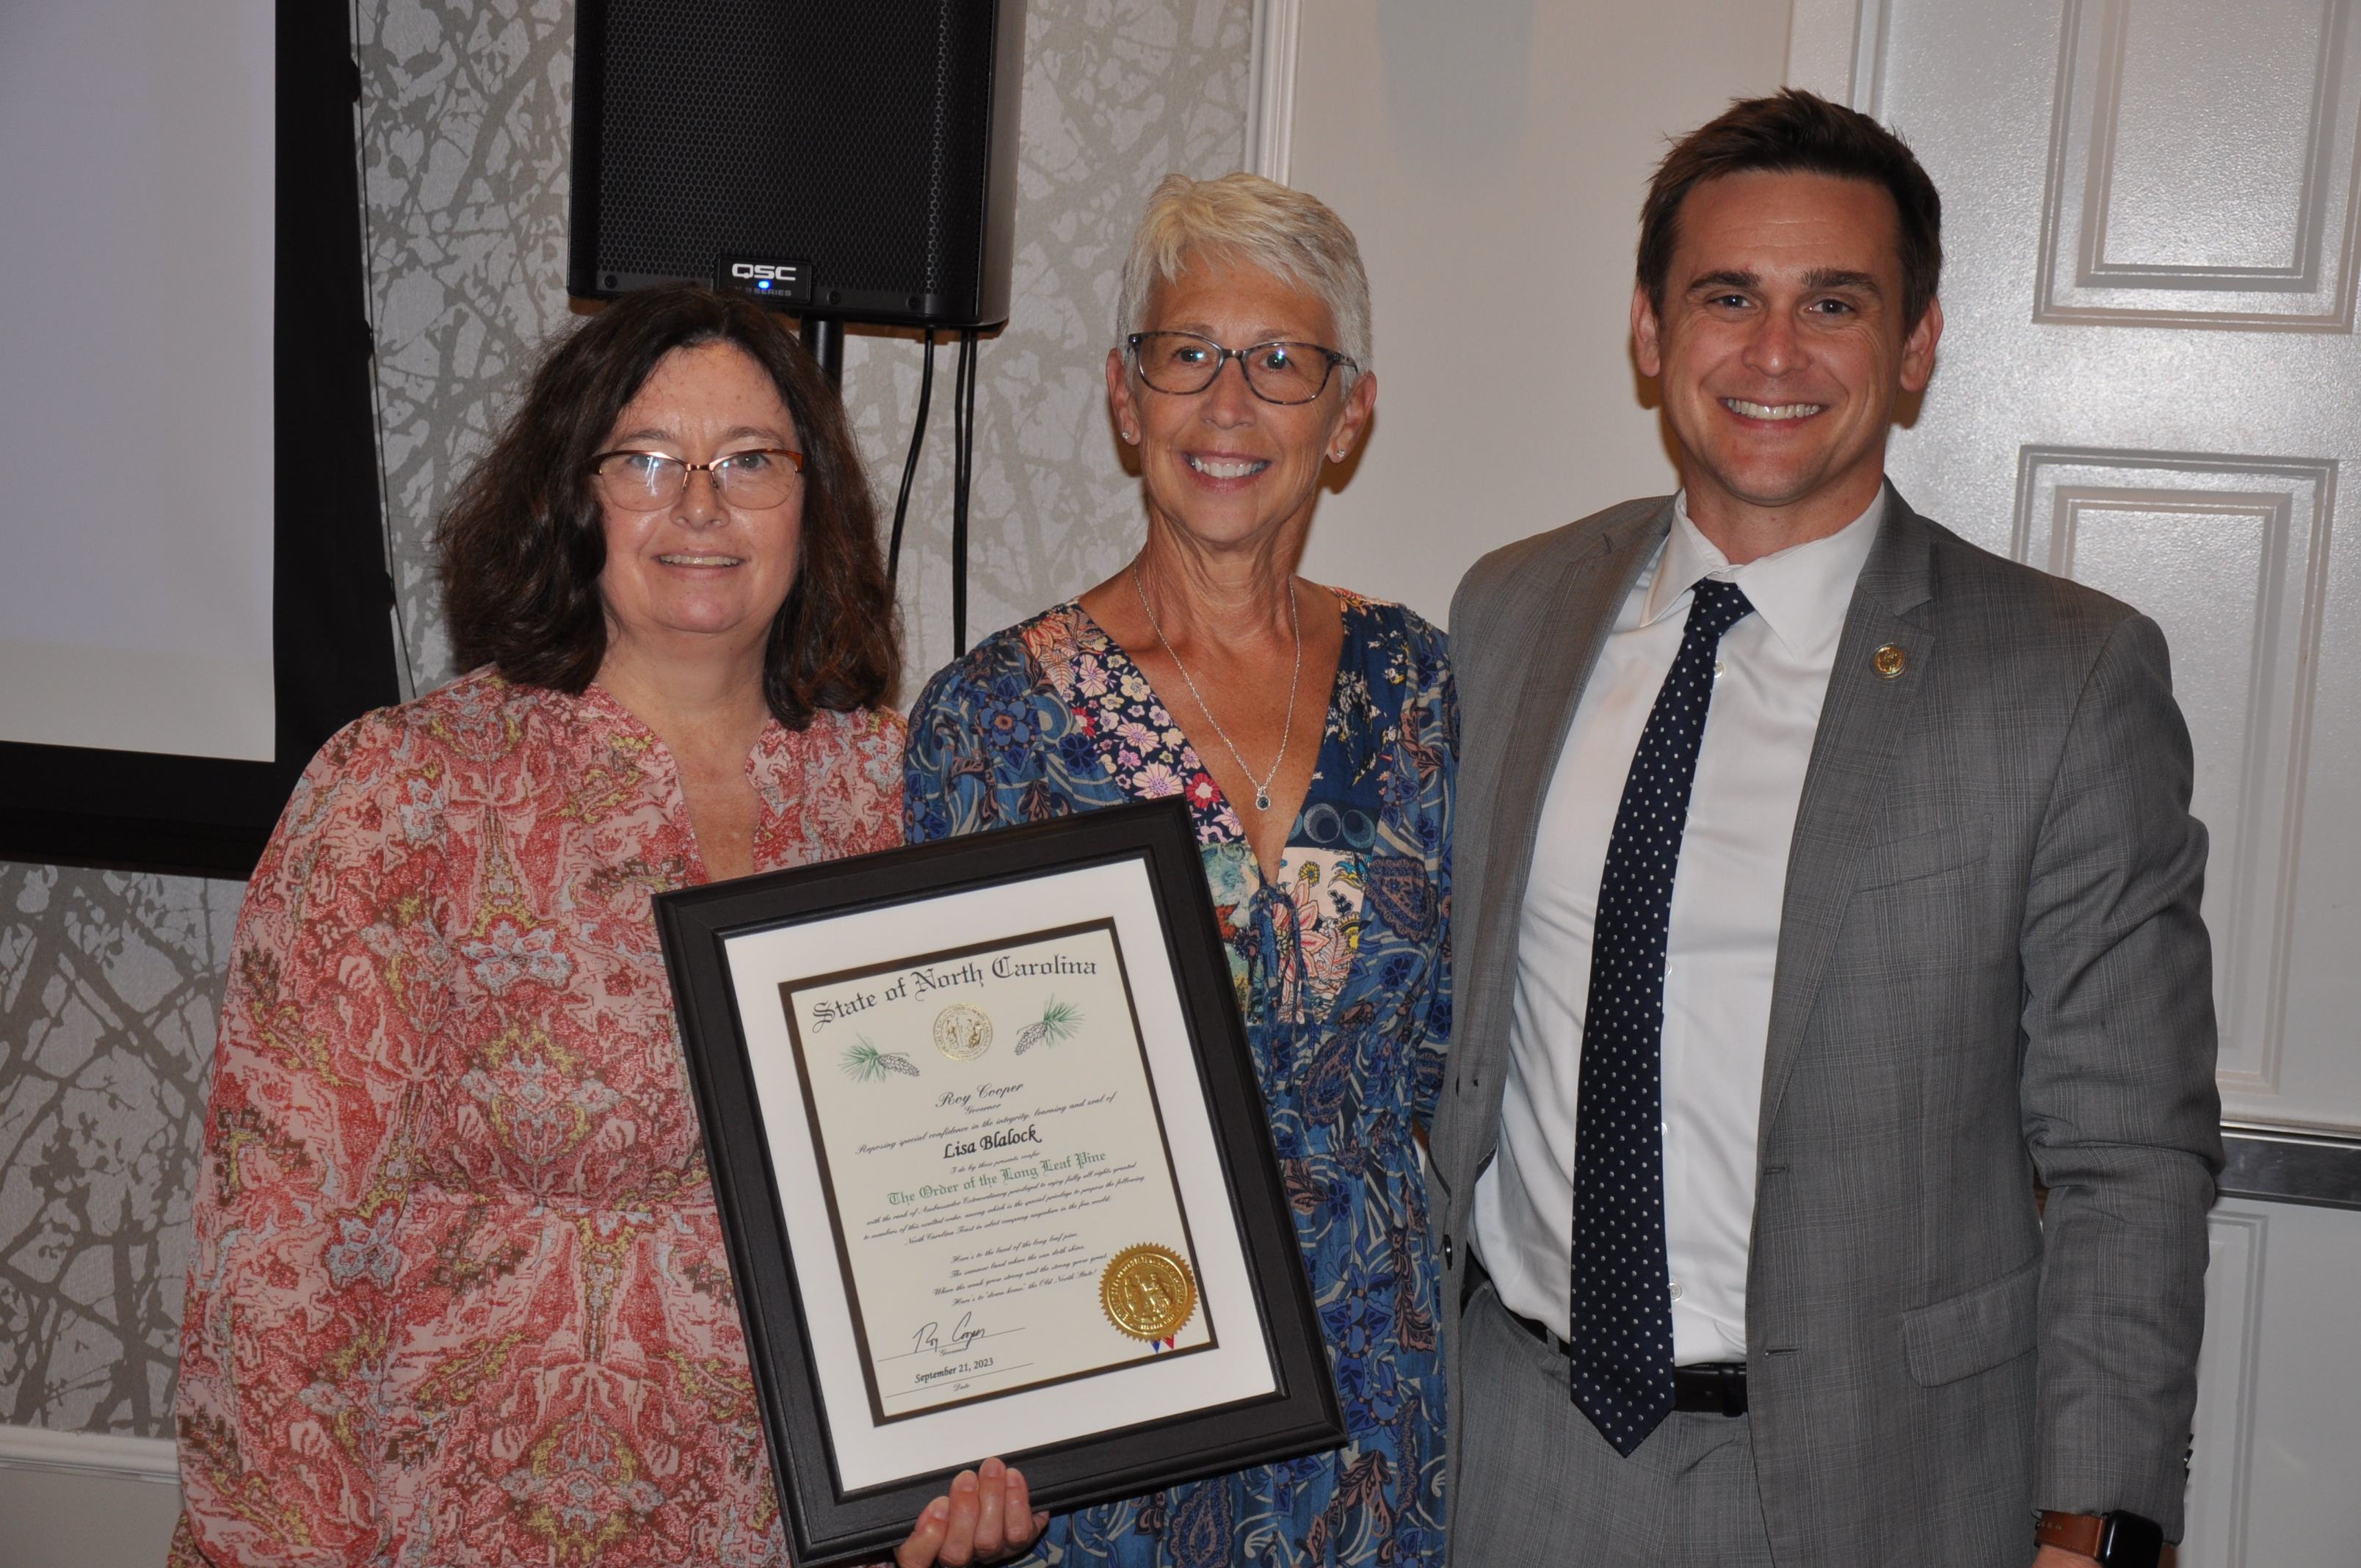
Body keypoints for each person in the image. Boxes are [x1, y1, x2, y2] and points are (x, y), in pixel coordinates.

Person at [1429, 90, 2219, 1568]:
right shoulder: (1511, 611)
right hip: (1512, 1455)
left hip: (1878, 1488)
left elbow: (2129, 1153)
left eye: (1834, 303)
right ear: (1652, 333)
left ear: (1915, 346)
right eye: (1727, 296)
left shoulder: (2066, 677)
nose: (1775, 353)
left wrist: (2093, 1524)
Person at [170, 286, 1039, 1567]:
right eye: (646, 460)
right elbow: (282, 1271)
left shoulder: (903, 801)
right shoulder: (406, 792)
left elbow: (971, 1203)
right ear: (574, 498)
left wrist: (983, 1454)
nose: (701, 504)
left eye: (751, 461)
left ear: (815, 504)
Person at [903, 172, 1452, 1567]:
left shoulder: (1426, 689)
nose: (1228, 405)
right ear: (1123, 396)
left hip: (1373, 1406)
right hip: (1103, 1399)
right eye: (1187, 355)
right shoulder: (994, 720)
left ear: (1351, 416)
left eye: (1283, 364)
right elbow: (948, 1123)